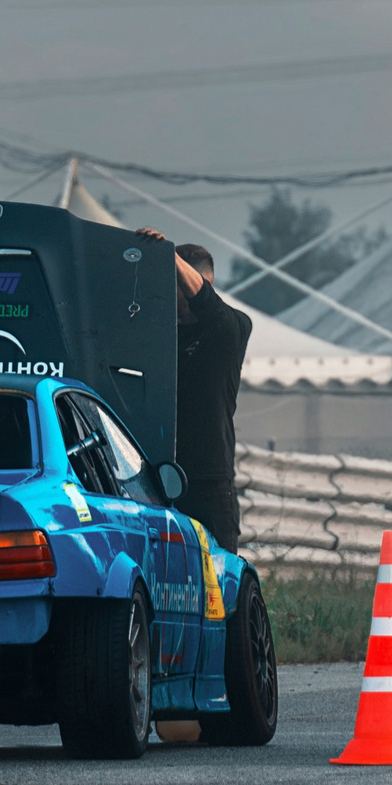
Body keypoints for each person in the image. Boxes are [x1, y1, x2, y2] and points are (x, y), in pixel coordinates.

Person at [134, 231, 251, 550]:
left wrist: (167, 255)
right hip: (156, 478)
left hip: (209, 480)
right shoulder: (158, 336)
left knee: (220, 573)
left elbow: (205, 302)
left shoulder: (231, 329)